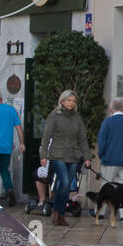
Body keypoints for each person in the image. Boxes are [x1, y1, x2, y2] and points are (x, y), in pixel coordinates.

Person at [40, 89, 90, 226]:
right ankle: (57, 213)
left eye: (74, 101)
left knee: (65, 187)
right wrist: (43, 155)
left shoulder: (77, 118)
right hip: (58, 155)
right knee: (65, 182)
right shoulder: (54, 116)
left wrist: (87, 157)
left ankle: (60, 215)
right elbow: (46, 136)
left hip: (74, 156)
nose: (72, 103)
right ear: (62, 101)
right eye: (69, 100)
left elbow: (83, 139)